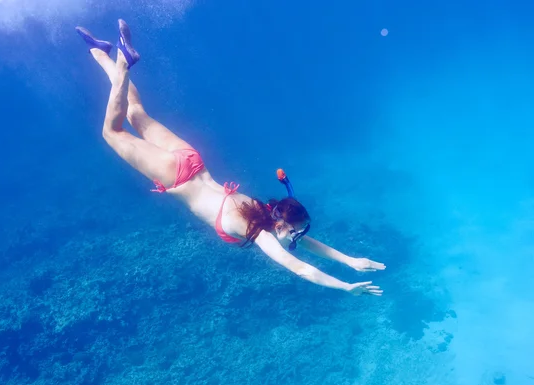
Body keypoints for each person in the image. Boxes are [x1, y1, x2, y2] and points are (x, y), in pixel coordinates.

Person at [75, 19, 385, 296]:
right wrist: (345, 287)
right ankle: (122, 64)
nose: (297, 237)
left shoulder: (264, 211)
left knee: (137, 114)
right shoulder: (260, 233)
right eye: (295, 230)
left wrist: (350, 260)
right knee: (112, 132)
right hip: (178, 172)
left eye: (299, 231)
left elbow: (306, 243)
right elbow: (301, 268)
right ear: (280, 221)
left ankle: (102, 53)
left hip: (190, 159)